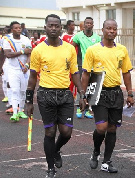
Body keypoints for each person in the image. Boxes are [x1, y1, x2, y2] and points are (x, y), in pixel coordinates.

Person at [25, 14, 86, 178]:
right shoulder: (38, 50)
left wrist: (82, 94)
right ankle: (50, 168)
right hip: (46, 94)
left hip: (65, 94)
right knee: (50, 132)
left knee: (66, 132)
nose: (53, 28)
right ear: (45, 27)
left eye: (56, 26)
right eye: (50, 25)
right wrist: (28, 101)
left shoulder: (69, 48)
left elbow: (75, 73)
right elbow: (32, 77)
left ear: (61, 28)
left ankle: (56, 149)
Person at [81, 19, 135, 173]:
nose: (112, 31)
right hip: (99, 92)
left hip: (116, 92)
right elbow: (86, 74)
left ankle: (106, 161)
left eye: (114, 29)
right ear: (102, 30)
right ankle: (96, 151)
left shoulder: (122, 50)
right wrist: (83, 95)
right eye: (109, 28)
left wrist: (130, 93)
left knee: (112, 128)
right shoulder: (93, 50)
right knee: (101, 127)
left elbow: (126, 73)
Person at [72, 17, 101, 119]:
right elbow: (71, 48)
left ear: (93, 25)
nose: (88, 25)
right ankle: (80, 107)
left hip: (94, 66)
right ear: (84, 25)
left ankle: (88, 109)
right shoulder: (78, 36)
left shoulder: (97, 38)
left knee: (91, 88)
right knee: (81, 87)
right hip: (82, 65)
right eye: (87, 23)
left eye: (90, 23)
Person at [3, 21, 32, 121]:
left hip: (24, 70)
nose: (19, 29)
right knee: (15, 90)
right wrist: (22, 51)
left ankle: (21, 111)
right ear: (12, 30)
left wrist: (27, 65)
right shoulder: (7, 39)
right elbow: (8, 54)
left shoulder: (26, 39)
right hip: (12, 69)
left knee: (23, 91)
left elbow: (30, 54)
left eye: (20, 28)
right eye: (16, 28)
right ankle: (15, 113)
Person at [62, 20, 77, 97]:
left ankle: (74, 94)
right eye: (72, 25)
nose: (73, 27)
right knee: (68, 77)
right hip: (67, 60)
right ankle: (69, 92)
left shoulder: (76, 36)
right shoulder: (63, 36)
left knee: (75, 76)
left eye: (74, 25)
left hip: (75, 60)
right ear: (68, 26)